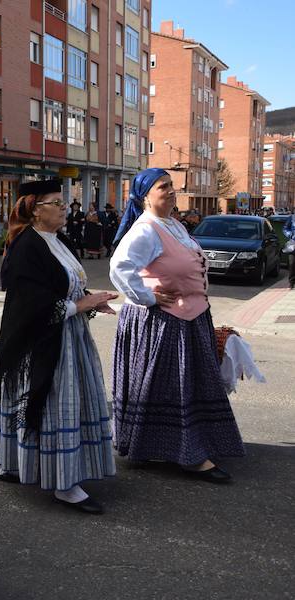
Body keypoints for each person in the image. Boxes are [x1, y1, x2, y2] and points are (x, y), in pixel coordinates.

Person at [0, 179, 117, 514]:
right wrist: (81, 305)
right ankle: (64, 483)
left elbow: (64, 284)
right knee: (53, 404)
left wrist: (89, 299)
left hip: (68, 335)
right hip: (41, 340)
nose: (63, 207)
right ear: (35, 210)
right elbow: (31, 304)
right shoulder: (26, 246)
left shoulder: (58, 239)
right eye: (56, 202)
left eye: (62, 201)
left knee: (54, 403)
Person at [109, 168, 245, 483]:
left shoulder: (173, 224)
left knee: (189, 386)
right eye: (163, 187)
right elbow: (119, 267)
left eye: (172, 185)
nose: (171, 190)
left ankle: (175, 445)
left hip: (191, 317)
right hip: (165, 321)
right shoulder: (145, 230)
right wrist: (147, 297)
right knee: (175, 389)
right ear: (145, 197)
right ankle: (191, 456)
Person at [284, 213, 295, 289]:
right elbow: (285, 228)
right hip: (293, 244)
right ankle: (291, 282)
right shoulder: (292, 218)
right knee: (292, 263)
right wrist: (290, 234)